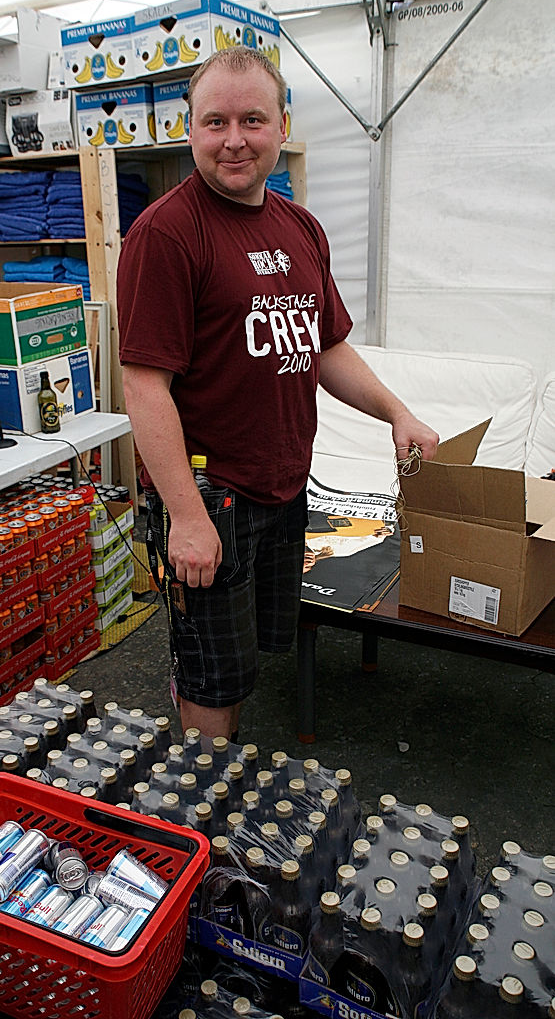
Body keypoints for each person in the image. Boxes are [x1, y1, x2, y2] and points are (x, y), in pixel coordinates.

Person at [117, 47, 439, 740]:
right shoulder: (167, 234)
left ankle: (211, 752)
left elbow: (321, 344)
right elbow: (144, 386)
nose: (234, 139)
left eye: (252, 119)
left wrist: (396, 412)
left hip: (284, 483)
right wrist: (186, 517)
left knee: (250, 651)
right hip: (211, 494)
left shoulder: (299, 228)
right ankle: (201, 813)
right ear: (190, 130)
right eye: (215, 122)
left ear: (282, 123)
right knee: (215, 676)